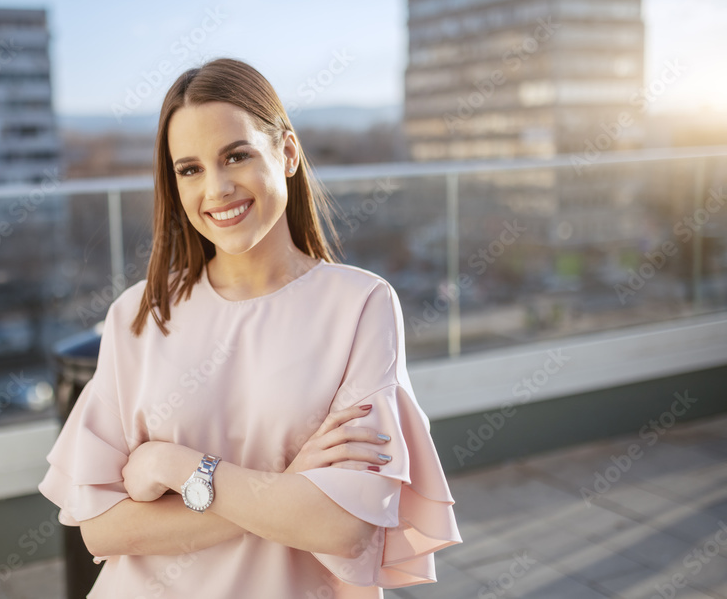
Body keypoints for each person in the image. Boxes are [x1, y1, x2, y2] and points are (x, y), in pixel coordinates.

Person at [38, 58, 461, 597]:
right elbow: (100, 524)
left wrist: (176, 466)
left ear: (287, 153)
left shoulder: (359, 305)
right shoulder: (140, 314)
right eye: (189, 169)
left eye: (235, 156)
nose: (215, 190)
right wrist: (285, 492)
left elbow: (343, 526)